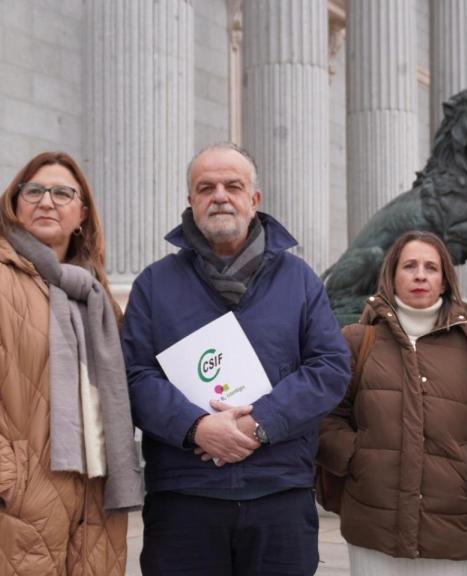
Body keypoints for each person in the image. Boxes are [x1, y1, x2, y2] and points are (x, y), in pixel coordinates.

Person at [122, 142, 351, 575]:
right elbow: (134, 375)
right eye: (206, 187)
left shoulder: (299, 280)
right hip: (184, 496)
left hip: (278, 493)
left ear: (254, 199)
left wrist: (257, 424)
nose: (220, 196)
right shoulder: (155, 283)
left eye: (233, 185)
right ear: (191, 202)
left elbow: (329, 367)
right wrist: (196, 428)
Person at [0, 152, 143, 575]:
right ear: (15, 205)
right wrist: (6, 481)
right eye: (33, 191)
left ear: (82, 214)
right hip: (0, 514)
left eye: (62, 193)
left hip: (92, 511)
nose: (46, 201)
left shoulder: (97, 300)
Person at [317, 231, 467, 575]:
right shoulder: (356, 340)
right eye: (409, 266)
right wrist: (355, 457)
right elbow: (328, 414)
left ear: (444, 281)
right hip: (373, 518)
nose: (420, 275)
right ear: (392, 276)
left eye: (431, 267)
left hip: (450, 520)